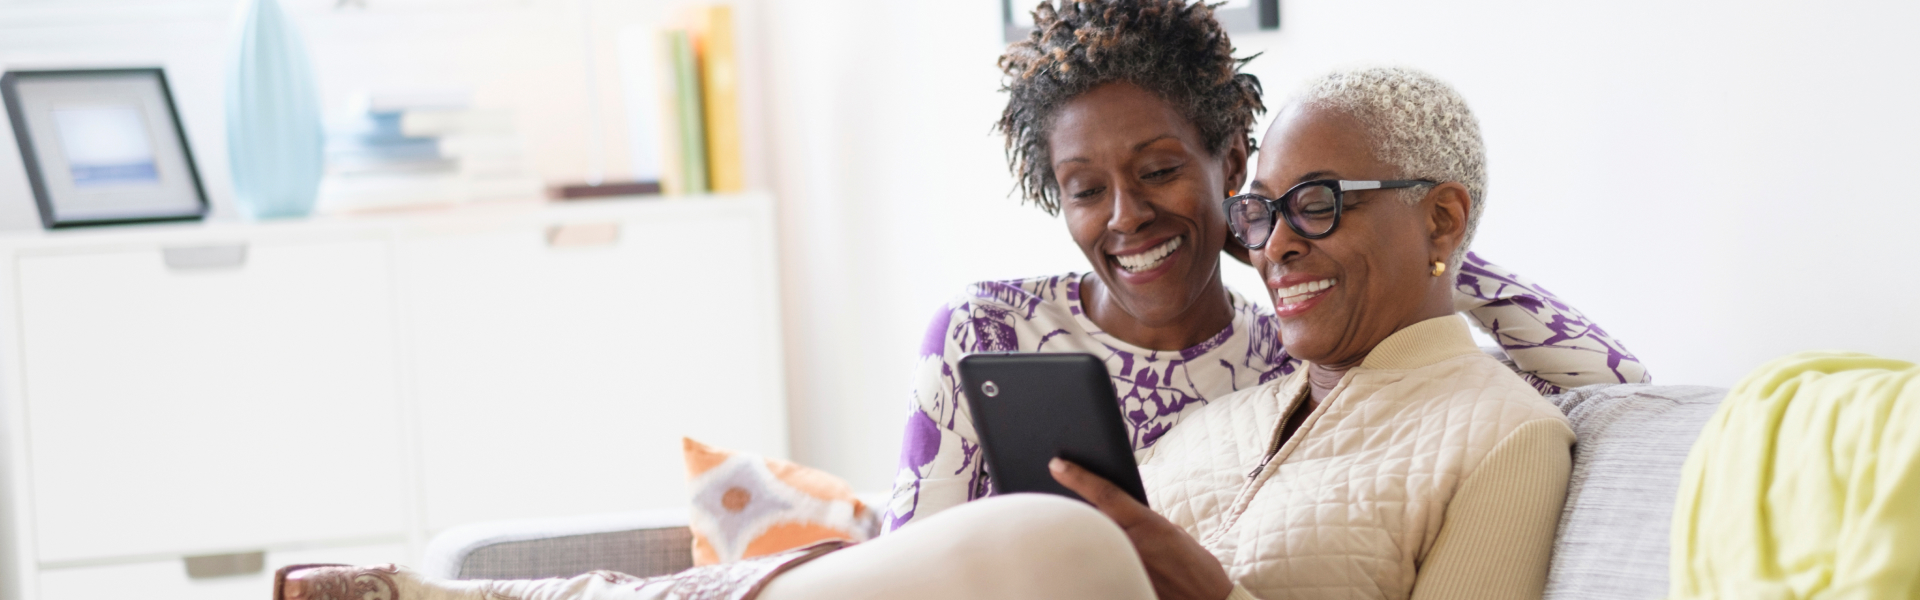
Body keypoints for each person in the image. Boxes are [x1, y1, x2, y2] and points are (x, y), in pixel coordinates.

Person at [275, 63, 1571, 600]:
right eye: (1268, 213)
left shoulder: (1500, 433)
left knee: (1067, 536)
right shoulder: (1238, 409)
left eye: (1317, 209)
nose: (1279, 240)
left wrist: (1207, 591)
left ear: (1444, 214)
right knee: (1057, 533)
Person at [884, 0, 1644, 531]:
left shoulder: (1298, 356)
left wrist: (1421, 246)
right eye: (1086, 190)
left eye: (1157, 171)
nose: (1125, 216)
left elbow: (1615, 391)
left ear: (1234, 161)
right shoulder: (984, 330)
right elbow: (909, 561)